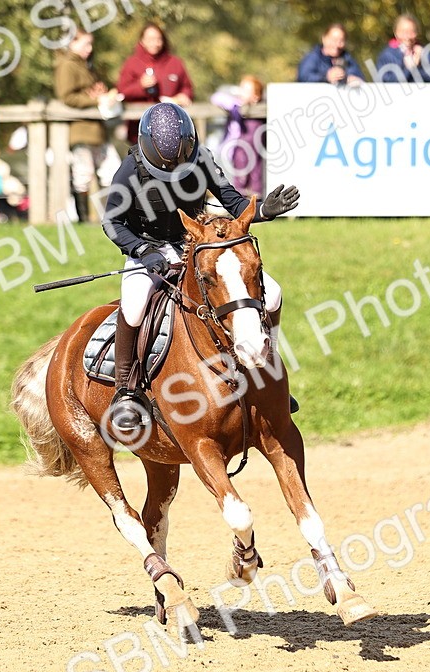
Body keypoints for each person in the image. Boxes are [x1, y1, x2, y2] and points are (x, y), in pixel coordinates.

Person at [101, 102, 301, 432]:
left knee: (274, 293)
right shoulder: (130, 170)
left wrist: (264, 209)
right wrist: (143, 251)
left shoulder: (202, 158)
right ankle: (128, 390)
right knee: (135, 306)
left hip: (198, 245)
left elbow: (233, 201)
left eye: (182, 157)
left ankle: (268, 367)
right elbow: (112, 222)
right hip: (148, 249)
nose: (177, 165)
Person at [55, 30, 117, 223]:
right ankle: (83, 219)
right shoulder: (67, 66)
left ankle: (112, 218)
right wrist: (96, 100)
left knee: (110, 172)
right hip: (81, 130)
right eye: (85, 44)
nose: (89, 49)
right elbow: (67, 96)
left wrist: (100, 93)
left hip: (97, 130)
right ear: (72, 43)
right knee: (83, 175)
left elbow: (87, 92)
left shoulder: (86, 65)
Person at [116, 23, 194, 145]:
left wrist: (184, 95)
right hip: (139, 132)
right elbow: (121, 92)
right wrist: (140, 86)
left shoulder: (175, 63)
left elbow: (187, 87)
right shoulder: (131, 63)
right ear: (142, 41)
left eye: (158, 39)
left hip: (172, 131)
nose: (155, 43)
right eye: (151, 39)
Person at [209, 75, 266, 200]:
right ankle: (241, 195)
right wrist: (234, 105)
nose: (242, 92)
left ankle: (254, 194)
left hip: (250, 160)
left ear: (256, 97)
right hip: (235, 155)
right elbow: (216, 97)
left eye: (247, 90)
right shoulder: (236, 105)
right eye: (242, 88)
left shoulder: (258, 115)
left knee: (253, 166)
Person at [374, 14, 430, 83]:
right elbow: (387, 82)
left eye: (412, 32)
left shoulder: (423, 52)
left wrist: (418, 66)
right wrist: (408, 69)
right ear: (396, 33)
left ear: (417, 33)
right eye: (404, 32)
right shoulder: (387, 56)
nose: (408, 37)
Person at [298, 24, 365, 85]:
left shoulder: (348, 58)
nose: (337, 45)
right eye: (334, 40)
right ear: (324, 39)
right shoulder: (313, 57)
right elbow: (304, 77)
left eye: (341, 41)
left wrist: (347, 78)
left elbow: (358, 75)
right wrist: (326, 77)